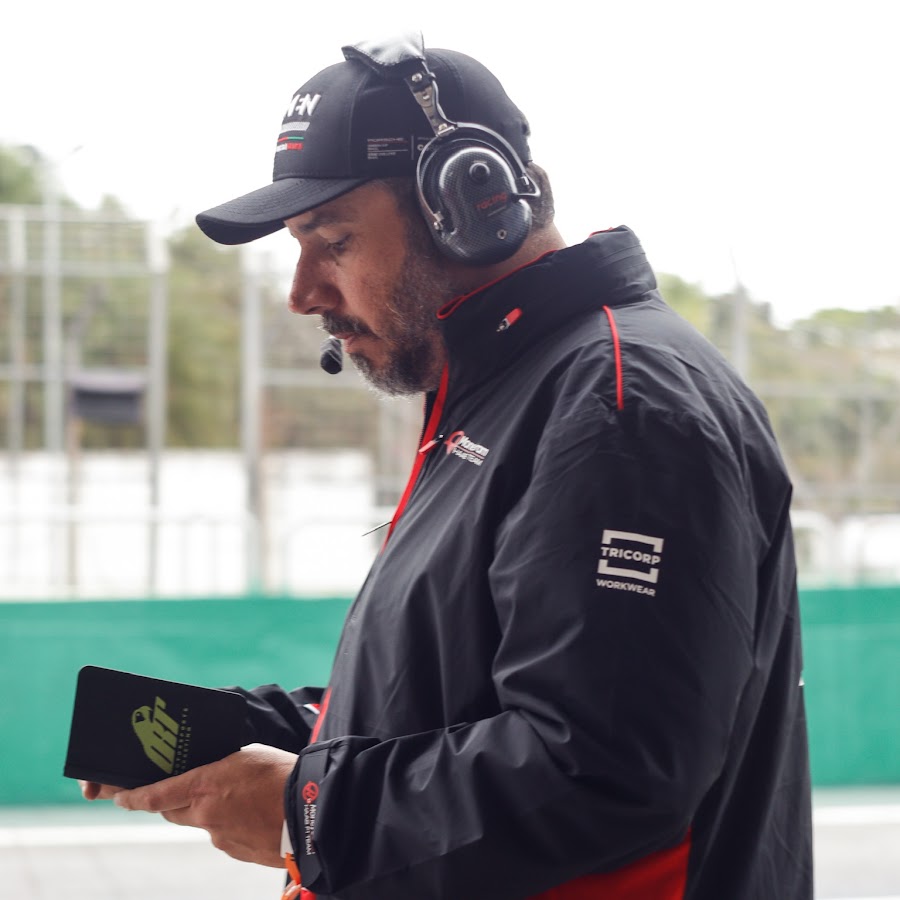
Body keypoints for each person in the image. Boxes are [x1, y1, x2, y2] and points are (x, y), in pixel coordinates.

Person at [82, 32, 813, 899]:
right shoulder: (506, 388)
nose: (302, 292)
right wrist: (254, 733)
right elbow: (453, 702)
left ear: (471, 203)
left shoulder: (619, 406)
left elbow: (604, 768)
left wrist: (305, 813)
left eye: (333, 241)